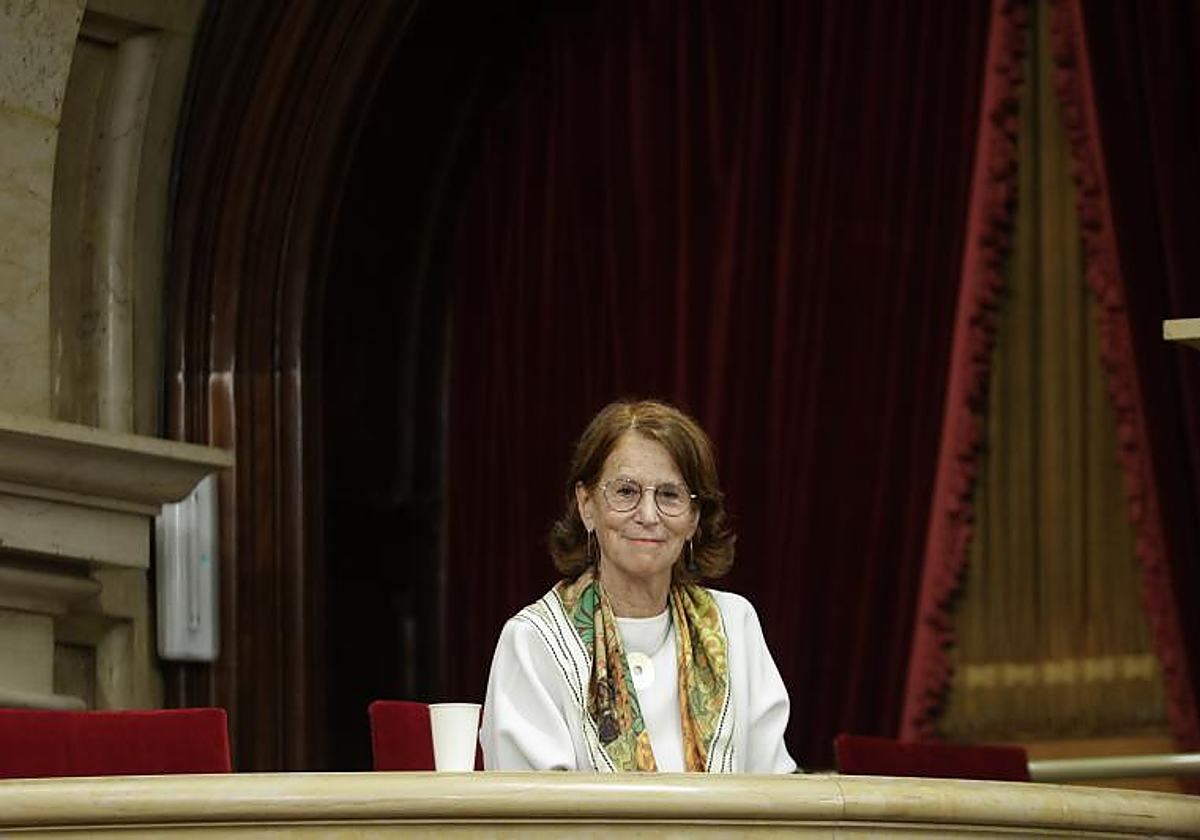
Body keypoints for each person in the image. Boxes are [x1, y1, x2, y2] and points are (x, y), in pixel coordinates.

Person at [480, 398, 797, 772]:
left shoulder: (734, 625)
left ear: (694, 517)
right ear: (586, 505)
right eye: (626, 492)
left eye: (669, 495)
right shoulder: (535, 640)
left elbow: (775, 791)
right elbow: (530, 805)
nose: (648, 515)